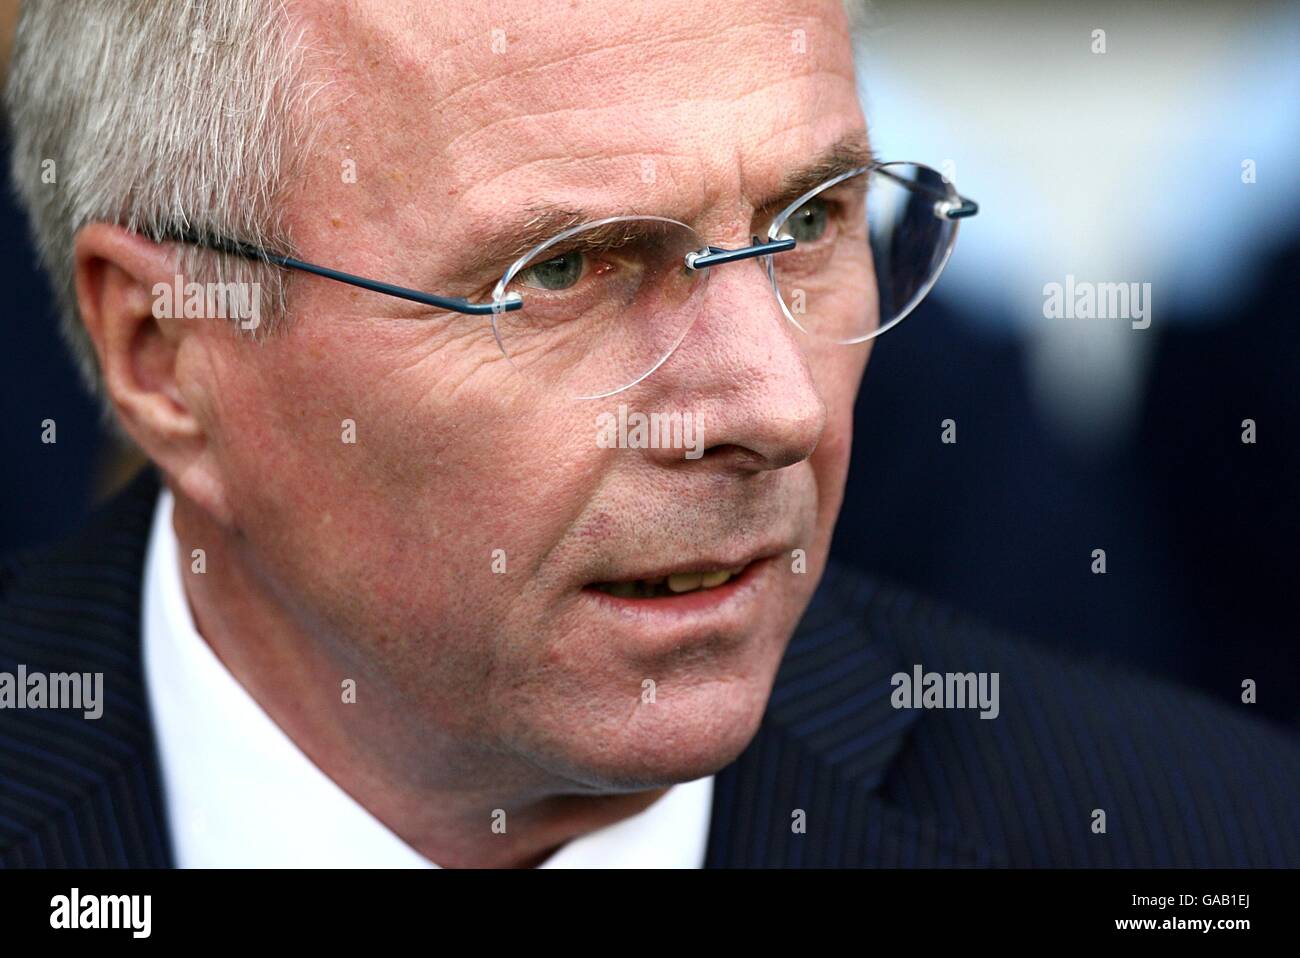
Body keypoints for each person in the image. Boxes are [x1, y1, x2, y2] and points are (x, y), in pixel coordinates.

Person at [1, 0, 1295, 868]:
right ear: (162, 352)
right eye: (568, 271)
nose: (777, 403)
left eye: (809, 222)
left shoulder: (1196, 838)